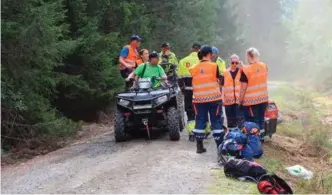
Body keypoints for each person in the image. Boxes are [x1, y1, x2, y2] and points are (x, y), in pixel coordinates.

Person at [189, 45, 224, 154]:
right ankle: (220, 148)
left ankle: (199, 146)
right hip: (214, 99)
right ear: (210, 54)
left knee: (200, 120)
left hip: (199, 99)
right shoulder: (214, 66)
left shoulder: (193, 68)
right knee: (216, 120)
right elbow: (220, 81)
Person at [239, 47, 269, 141]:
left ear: (249, 56)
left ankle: (255, 140)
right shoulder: (264, 66)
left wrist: (240, 102)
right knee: (261, 119)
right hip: (263, 99)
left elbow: (243, 88)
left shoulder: (245, 70)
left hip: (251, 101)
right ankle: (261, 138)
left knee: (254, 120)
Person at [177, 43, 201, 141]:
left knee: (190, 112)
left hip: (188, 92)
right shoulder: (203, 61)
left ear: (191, 49)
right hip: (201, 92)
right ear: (199, 50)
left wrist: (183, 90)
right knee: (201, 112)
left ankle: (192, 133)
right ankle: (203, 132)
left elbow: (179, 78)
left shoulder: (183, 61)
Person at [222, 54, 244, 129]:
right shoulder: (225, 72)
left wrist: (242, 66)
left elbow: (248, 75)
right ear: (230, 62)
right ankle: (231, 136)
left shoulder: (241, 71)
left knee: (240, 120)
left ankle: (240, 137)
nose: (234, 64)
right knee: (231, 121)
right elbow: (222, 86)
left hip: (239, 101)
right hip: (228, 101)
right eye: (233, 62)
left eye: (236, 63)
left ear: (239, 62)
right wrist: (222, 98)